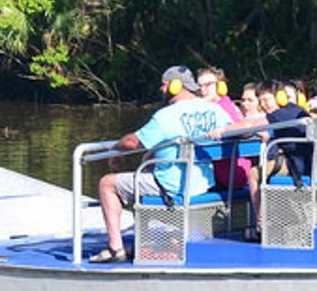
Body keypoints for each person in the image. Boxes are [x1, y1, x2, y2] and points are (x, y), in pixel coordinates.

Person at [94, 65, 227, 263]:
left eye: (164, 86)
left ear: (175, 86)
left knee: (107, 183)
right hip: (203, 186)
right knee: (147, 168)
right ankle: (146, 241)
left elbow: (133, 142)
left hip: (174, 188)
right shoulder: (214, 110)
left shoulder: (166, 116)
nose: (161, 90)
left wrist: (116, 148)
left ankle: (115, 248)